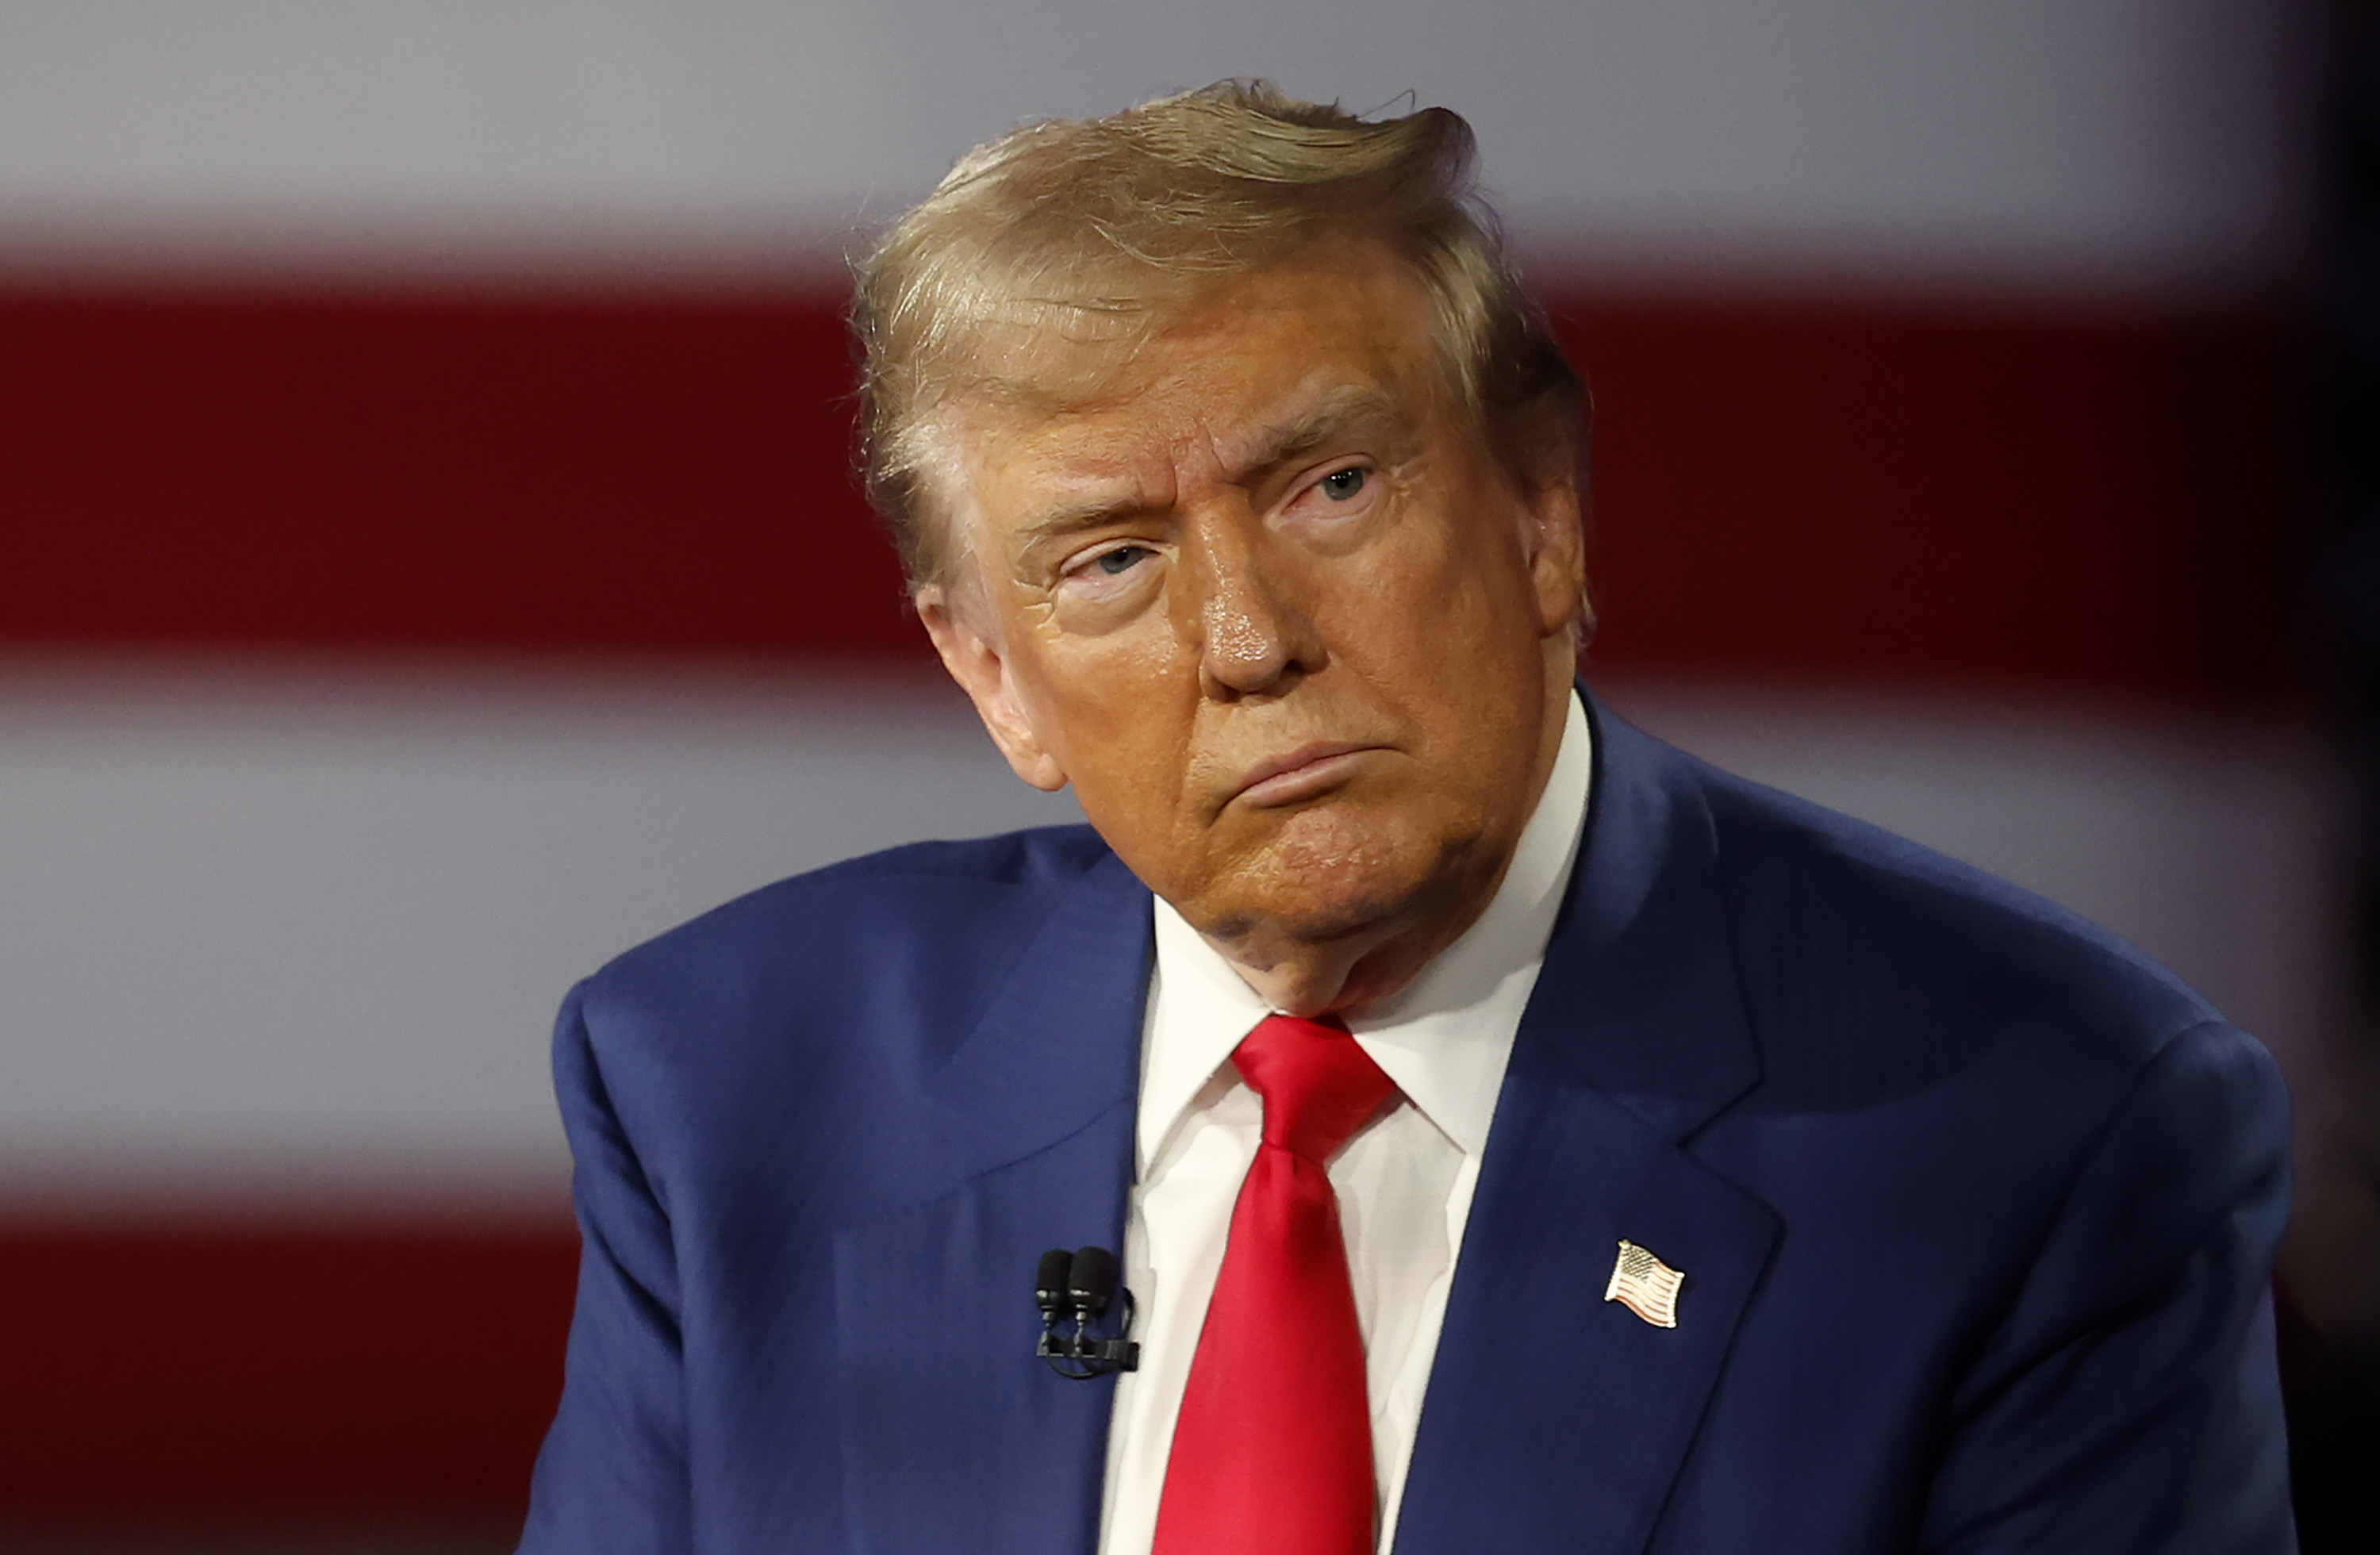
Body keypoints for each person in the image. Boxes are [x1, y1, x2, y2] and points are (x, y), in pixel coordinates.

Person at [517, 83, 2295, 1553]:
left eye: (1334, 484)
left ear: (1543, 511)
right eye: (1114, 560)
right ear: (992, 677)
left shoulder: (2044, 1131)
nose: (1248, 637)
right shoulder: (727, 1086)